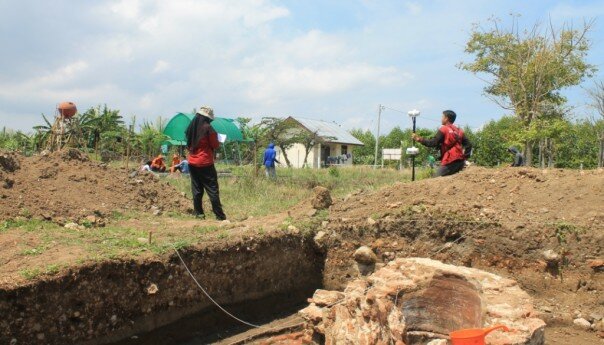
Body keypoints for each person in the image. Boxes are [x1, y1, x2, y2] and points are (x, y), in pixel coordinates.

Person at [185, 106, 226, 220]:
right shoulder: (208, 128)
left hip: (192, 162)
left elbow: (188, 144)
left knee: (197, 189)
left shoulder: (191, 128)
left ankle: (199, 214)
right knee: (212, 189)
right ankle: (220, 216)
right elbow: (215, 145)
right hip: (205, 162)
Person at [412, 110, 472, 177]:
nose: (441, 119)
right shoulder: (459, 131)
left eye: (442, 117)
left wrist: (419, 139)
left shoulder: (444, 129)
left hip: (450, 159)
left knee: (435, 179)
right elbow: (469, 145)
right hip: (460, 161)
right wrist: (465, 158)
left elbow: (433, 142)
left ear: (446, 118)